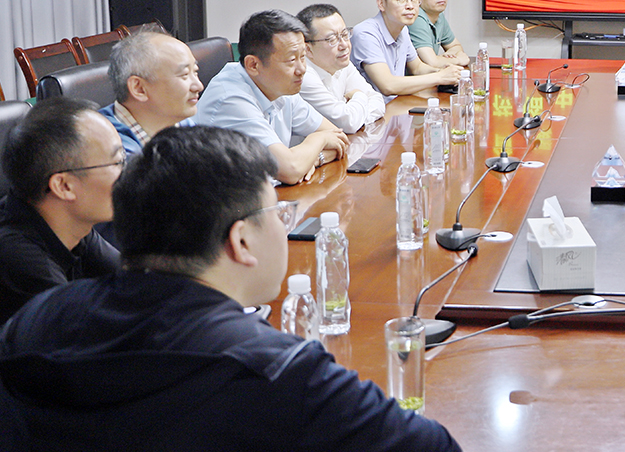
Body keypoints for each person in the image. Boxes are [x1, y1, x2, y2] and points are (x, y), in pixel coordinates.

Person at [0, 126, 461, 451]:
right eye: (277, 214)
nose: (284, 226)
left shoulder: (34, 320)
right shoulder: (282, 371)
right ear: (240, 241)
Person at [0, 98, 122, 324]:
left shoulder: (69, 223)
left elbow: (135, 280)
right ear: (64, 186)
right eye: (117, 163)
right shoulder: (20, 261)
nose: (127, 174)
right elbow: (88, 332)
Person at [194, 10, 349, 185]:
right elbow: (291, 170)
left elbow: (338, 138)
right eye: (291, 60)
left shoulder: (281, 85)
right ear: (253, 65)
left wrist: (311, 160)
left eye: (303, 57)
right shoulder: (230, 99)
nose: (302, 69)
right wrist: (317, 140)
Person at [351, 0, 462, 97]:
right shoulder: (365, 33)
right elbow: (387, 85)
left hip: (397, 104)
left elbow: (417, 67)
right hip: (374, 107)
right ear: (381, 3)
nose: (410, 6)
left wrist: (443, 71)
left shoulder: (402, 29)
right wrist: (439, 77)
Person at [99, 25, 203, 154]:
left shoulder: (181, 122)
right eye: (184, 75)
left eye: (195, 72)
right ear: (139, 88)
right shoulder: (106, 151)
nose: (199, 86)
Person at [297, 3, 386, 133]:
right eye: (332, 39)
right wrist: (359, 96)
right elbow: (348, 123)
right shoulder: (303, 76)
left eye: (345, 35)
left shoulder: (343, 64)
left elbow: (378, 101)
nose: (344, 45)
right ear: (308, 49)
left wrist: (357, 117)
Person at [408, 0, 470, 68]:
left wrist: (448, 56)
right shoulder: (415, 18)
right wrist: (458, 59)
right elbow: (432, 62)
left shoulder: (438, 15)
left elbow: (455, 46)